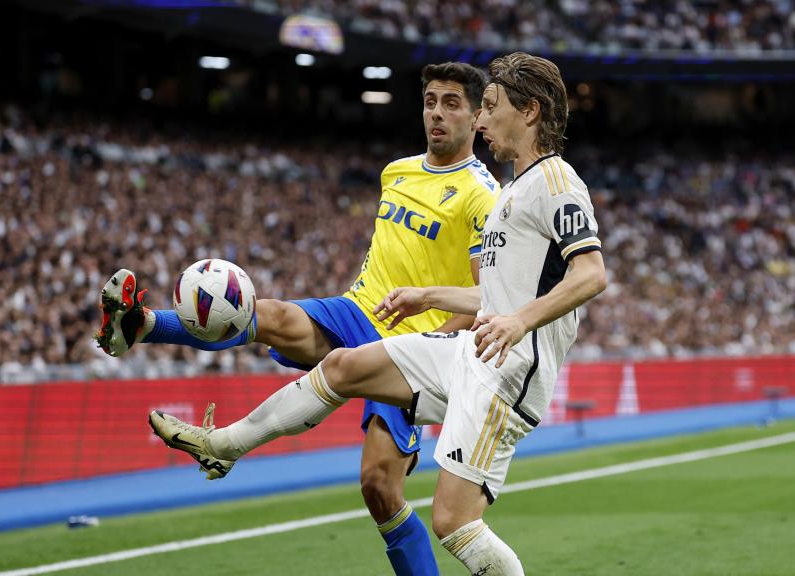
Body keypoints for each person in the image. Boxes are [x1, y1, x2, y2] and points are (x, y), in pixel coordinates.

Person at [149, 52, 607, 575]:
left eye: (489, 108)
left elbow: (591, 274)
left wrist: (520, 321)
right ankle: (225, 445)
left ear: (529, 111)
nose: (480, 121)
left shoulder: (556, 183)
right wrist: (429, 296)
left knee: (454, 523)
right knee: (346, 367)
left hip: (508, 372)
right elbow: (498, 297)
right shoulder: (510, 194)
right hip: (472, 351)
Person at [95, 62, 499, 576]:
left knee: (378, 487)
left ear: (475, 116)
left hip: (410, 350)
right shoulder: (396, 172)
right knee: (268, 315)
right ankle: (140, 325)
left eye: (451, 104)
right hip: (357, 309)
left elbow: (484, 295)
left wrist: (440, 342)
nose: (437, 114)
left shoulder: (483, 196)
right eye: (430, 101)